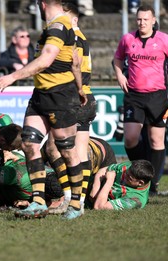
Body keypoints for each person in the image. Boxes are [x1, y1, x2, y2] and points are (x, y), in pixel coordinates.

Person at [0, 0, 87, 220]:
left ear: (41, 4)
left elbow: (46, 60)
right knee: (29, 143)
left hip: (59, 97)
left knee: (66, 151)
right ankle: (37, 201)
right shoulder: (52, 27)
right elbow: (74, 62)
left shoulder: (59, 27)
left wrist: (12, 77)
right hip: (41, 96)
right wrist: (81, 88)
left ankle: (75, 204)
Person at [113, 5, 168, 196]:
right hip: (134, 96)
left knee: (156, 141)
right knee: (130, 138)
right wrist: (120, 76)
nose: (142, 23)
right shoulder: (128, 39)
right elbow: (117, 59)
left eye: (146, 19)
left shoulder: (164, 39)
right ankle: (141, 170)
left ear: (153, 20)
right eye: (139, 19)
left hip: (157, 96)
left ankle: (151, 184)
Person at [42, 1, 96, 216]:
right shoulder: (82, 38)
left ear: (72, 19)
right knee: (78, 152)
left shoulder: (70, 37)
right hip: (86, 97)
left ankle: (69, 198)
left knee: (54, 149)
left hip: (73, 98)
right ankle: (78, 201)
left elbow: (71, 66)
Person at [42, 136, 117, 214]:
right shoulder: (48, 149)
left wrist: (61, 201)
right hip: (78, 145)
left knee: (93, 195)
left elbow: (91, 196)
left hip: (103, 157)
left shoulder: (82, 162)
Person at [90, 160, 154, 210]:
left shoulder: (135, 200)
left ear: (140, 183)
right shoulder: (130, 167)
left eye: (129, 177)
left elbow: (99, 207)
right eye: (126, 172)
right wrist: (95, 188)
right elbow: (104, 170)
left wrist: (110, 180)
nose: (124, 175)